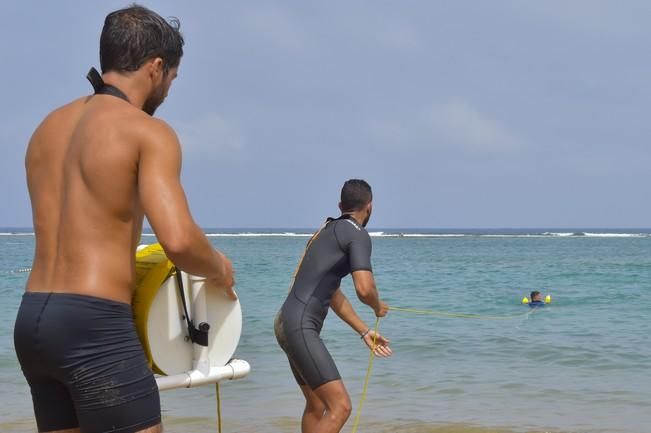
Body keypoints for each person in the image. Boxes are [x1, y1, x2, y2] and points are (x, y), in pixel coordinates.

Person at [13, 5, 234, 433]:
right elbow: (180, 241)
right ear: (155, 67)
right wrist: (220, 268)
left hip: (33, 321)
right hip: (93, 326)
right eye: (171, 76)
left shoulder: (46, 128)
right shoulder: (146, 131)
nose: (169, 88)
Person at [274, 179, 392, 433]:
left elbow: (333, 295)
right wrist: (377, 307)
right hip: (300, 326)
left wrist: (363, 331)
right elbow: (364, 288)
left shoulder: (325, 232)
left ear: (341, 205)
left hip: (284, 321)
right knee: (341, 407)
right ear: (369, 206)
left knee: (317, 405)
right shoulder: (358, 234)